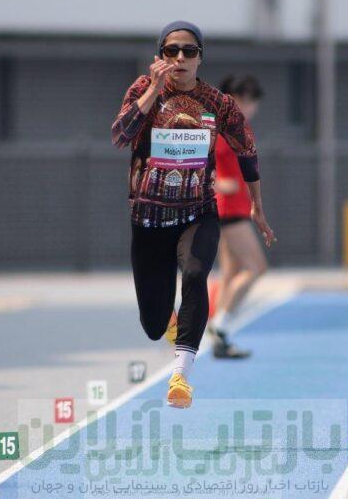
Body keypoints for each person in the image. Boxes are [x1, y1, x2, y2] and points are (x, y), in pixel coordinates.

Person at [111, 21, 275, 408]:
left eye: (189, 51)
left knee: (197, 273)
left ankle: (181, 375)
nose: (180, 58)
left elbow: (248, 151)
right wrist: (152, 91)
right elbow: (120, 135)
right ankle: (168, 322)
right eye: (172, 51)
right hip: (149, 220)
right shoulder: (142, 89)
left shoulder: (217, 103)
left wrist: (257, 204)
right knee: (153, 324)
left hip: (198, 212)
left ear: (200, 58)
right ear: (160, 56)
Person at [208, 75, 268, 359]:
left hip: (236, 207)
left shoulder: (238, 127)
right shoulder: (220, 128)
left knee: (231, 273)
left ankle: (219, 337)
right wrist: (216, 183)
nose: (252, 108)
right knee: (257, 267)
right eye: (249, 102)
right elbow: (199, 161)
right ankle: (219, 325)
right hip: (228, 209)